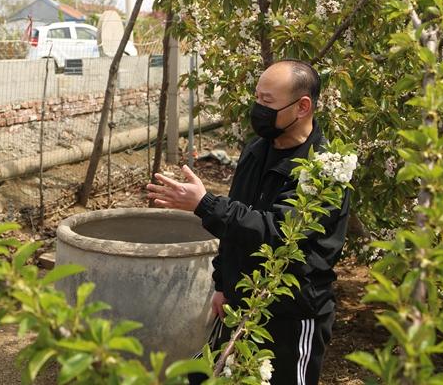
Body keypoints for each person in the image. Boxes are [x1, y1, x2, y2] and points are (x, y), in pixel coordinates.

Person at [146, 59, 350, 385]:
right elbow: (238, 221)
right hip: (244, 303)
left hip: (292, 314)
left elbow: (280, 233)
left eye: (267, 102)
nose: (258, 109)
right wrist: (223, 283)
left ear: (302, 107)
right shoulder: (256, 149)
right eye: (257, 98)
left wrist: (205, 204)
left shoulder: (323, 171)